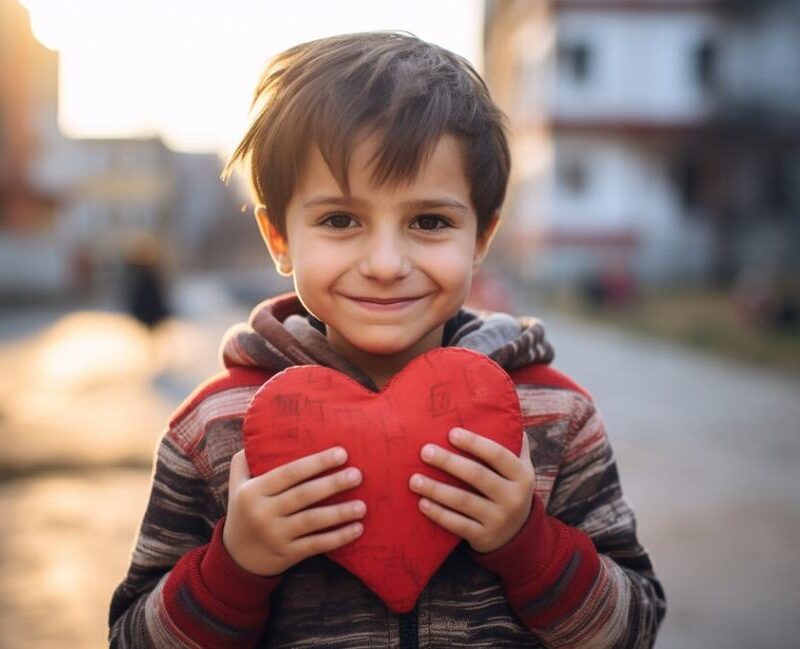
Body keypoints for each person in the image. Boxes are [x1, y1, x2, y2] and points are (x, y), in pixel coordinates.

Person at [108, 32, 665, 648]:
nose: (384, 262)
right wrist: (236, 565)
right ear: (279, 238)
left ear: (481, 237)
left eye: (429, 222)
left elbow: (632, 629)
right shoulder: (216, 429)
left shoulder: (553, 418)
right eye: (340, 220)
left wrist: (525, 543)